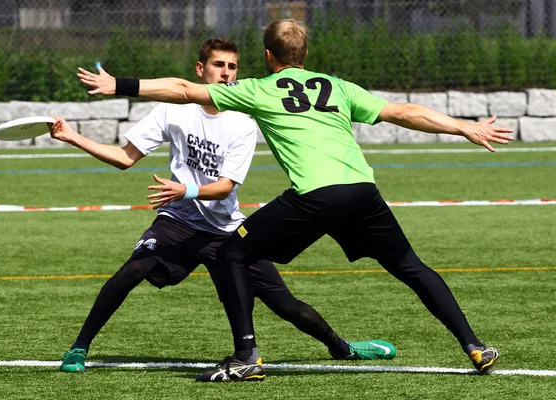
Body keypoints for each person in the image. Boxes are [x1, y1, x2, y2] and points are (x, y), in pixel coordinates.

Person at [77, 21, 512, 382]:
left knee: (231, 252)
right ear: (305, 55)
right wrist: (464, 127)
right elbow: (402, 111)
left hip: (315, 196)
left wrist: (120, 84)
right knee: (411, 268)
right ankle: (474, 346)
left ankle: (246, 357)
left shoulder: (260, 89)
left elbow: (183, 89)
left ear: (269, 57)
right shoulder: (337, 86)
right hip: (362, 191)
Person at [54, 37, 396, 374]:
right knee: (134, 269)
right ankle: (79, 348)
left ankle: (343, 348)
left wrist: (184, 189)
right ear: (200, 70)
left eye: (233, 67)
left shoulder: (243, 122)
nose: (227, 73)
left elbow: (224, 188)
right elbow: (123, 158)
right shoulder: (172, 110)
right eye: (219, 65)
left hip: (227, 230)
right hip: (179, 221)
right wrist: (73, 137)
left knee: (285, 304)